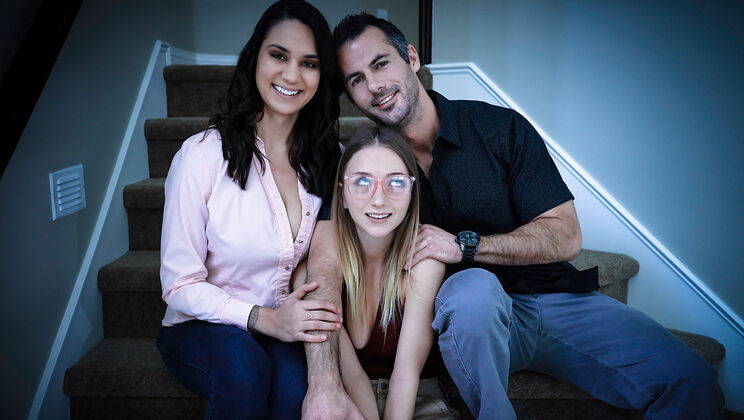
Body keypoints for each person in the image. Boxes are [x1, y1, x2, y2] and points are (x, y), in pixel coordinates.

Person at [301, 12, 725, 420]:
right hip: (467, 314)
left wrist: (465, 246)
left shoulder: (498, 129)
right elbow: (327, 254)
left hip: (555, 299)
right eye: (357, 79)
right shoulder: (367, 166)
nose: (374, 86)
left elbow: (565, 236)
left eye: (381, 64)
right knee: (472, 291)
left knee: (690, 378)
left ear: (411, 58)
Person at [155, 1, 344, 418]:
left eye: (309, 63)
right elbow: (179, 284)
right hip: (200, 325)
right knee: (243, 370)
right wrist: (264, 319)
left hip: (283, 323)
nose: (291, 75)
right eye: (278, 55)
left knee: (297, 393)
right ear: (254, 57)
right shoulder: (201, 156)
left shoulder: (330, 157)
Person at [294, 127, 456, 419]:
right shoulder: (320, 264)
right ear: (342, 195)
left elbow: (406, 373)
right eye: (362, 182)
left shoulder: (424, 261)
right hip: (346, 397)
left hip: (418, 401)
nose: (379, 199)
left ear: (412, 193)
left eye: (396, 182)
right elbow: (353, 376)